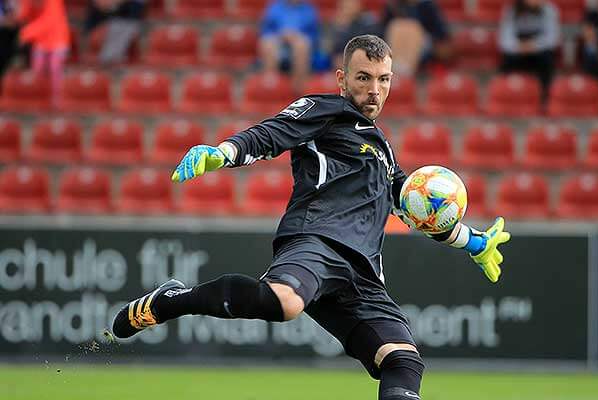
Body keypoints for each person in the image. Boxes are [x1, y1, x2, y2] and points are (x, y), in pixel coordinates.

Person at [111, 35, 511, 400]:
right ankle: (172, 301)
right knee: (283, 304)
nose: (375, 91)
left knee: (403, 360)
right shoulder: (326, 111)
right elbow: (272, 133)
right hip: (317, 242)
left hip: (363, 275)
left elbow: (414, 207)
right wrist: (224, 152)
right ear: (342, 78)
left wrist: (471, 240)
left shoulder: (384, 151)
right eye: (364, 78)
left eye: (384, 80)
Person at [258, 0, 325, 93]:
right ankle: (271, 85)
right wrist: (281, 35)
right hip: (279, 43)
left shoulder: (308, 9)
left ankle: (298, 87)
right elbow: (266, 30)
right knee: (267, 43)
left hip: (300, 45)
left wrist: (296, 36)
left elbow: (314, 35)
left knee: (302, 44)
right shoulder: (275, 7)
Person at [16, 0, 69, 107]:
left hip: (58, 39)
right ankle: (38, 99)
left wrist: (26, 33)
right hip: (40, 41)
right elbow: (22, 16)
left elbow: (49, 20)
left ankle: (56, 102)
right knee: (38, 70)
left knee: (55, 68)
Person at [498, 0, 560, 90]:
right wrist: (519, 47)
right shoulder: (511, 10)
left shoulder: (549, 10)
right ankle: (508, 91)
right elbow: (504, 40)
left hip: (539, 51)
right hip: (518, 51)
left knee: (547, 59)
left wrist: (533, 45)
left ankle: (545, 94)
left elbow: (552, 39)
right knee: (508, 59)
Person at [381, 0, 452, 75]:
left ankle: (404, 72)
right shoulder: (393, 5)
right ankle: (397, 69)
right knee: (397, 26)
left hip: (424, 46)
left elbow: (441, 35)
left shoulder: (428, 6)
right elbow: (383, 31)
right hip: (395, 49)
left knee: (412, 29)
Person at [330, 0, 380, 69]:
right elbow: (335, 50)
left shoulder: (368, 22)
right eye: (345, 4)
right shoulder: (339, 25)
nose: (348, 7)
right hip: (344, 59)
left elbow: (372, 46)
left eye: (351, 3)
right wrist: (341, 29)